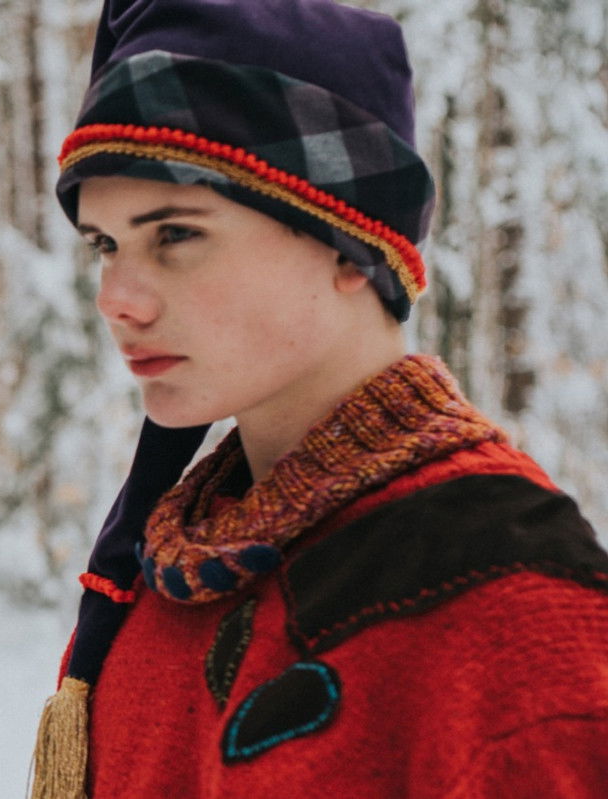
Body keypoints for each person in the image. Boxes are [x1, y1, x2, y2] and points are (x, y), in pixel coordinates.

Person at [30, 1, 608, 796]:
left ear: (349, 243)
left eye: (176, 234)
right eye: (106, 245)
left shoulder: (506, 609)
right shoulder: (176, 576)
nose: (116, 298)